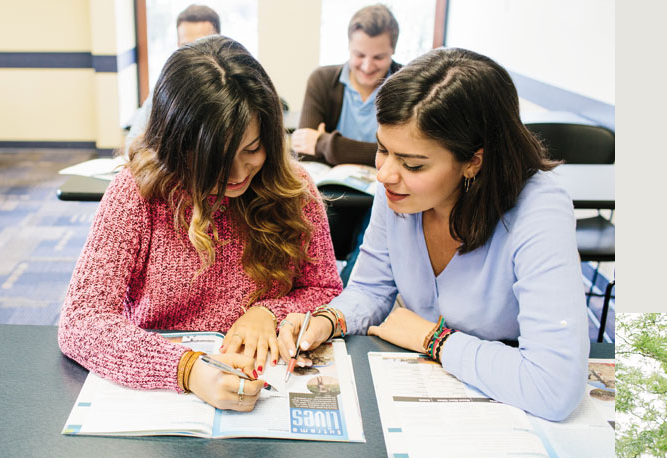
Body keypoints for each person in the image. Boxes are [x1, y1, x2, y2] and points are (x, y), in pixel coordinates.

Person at [276, 47, 589, 422]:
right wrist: (327, 320)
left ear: (474, 160)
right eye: (382, 149)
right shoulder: (397, 191)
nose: (385, 174)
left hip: (511, 410)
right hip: (429, 393)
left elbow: (553, 387)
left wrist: (432, 339)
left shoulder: (539, 210)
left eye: (412, 163)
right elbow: (372, 288)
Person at [58, 35, 342, 412]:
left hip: (264, 384)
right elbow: (82, 320)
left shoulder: (295, 189)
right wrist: (186, 369)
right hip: (157, 386)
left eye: (253, 149)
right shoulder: (137, 192)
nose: (239, 173)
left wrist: (267, 311)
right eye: (216, 160)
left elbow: (327, 289)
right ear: (176, 147)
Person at [291, 4, 401, 166]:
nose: (367, 67)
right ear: (349, 46)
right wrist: (381, 151)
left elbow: (405, 156)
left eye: (378, 57)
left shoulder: (407, 84)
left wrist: (326, 144)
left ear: (393, 50)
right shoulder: (322, 80)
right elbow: (304, 151)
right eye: (359, 55)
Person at [125, 4, 221, 149]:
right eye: (186, 46)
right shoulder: (166, 86)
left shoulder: (231, 82)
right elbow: (132, 143)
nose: (194, 54)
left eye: (201, 44)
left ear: (219, 41)